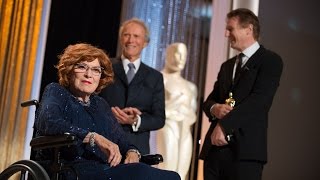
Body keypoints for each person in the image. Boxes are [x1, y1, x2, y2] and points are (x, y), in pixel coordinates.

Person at [34, 43, 180, 180]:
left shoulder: (100, 104)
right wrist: (94, 137)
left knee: (173, 176)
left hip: (104, 169)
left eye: (95, 70)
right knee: (139, 173)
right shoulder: (56, 91)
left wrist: (132, 152)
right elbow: (49, 122)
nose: (89, 74)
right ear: (69, 69)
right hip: (71, 170)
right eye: (81, 67)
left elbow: (122, 141)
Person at [199, 8, 283, 180]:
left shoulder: (270, 60)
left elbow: (259, 101)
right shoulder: (227, 66)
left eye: (230, 29)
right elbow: (209, 101)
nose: (226, 33)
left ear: (248, 29)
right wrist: (215, 108)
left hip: (245, 154)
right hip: (214, 153)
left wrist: (224, 125)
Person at [99, 18, 165, 155]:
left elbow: (159, 119)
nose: (131, 40)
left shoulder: (155, 77)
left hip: (137, 149)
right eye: (126, 35)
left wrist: (136, 120)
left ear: (145, 42)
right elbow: (91, 102)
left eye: (136, 36)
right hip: (105, 144)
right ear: (121, 39)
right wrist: (108, 114)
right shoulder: (104, 67)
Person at [155, 42, 197, 180]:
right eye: (177, 53)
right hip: (167, 128)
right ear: (168, 55)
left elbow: (192, 115)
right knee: (167, 168)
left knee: (182, 171)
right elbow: (155, 110)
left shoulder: (190, 87)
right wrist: (175, 107)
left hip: (185, 131)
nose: (181, 58)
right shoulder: (159, 79)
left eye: (184, 55)